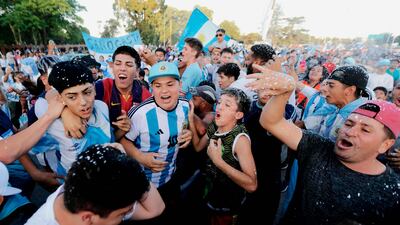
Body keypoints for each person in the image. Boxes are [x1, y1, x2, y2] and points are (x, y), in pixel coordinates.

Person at [246, 65, 400, 225]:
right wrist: (284, 92)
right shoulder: (318, 150)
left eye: (365, 130)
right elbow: (272, 122)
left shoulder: (392, 193)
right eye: (348, 123)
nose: (350, 132)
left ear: (385, 145)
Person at [120, 61, 192, 224]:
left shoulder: (186, 106)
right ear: (152, 89)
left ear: (179, 85)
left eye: (170, 84)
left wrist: (189, 133)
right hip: (141, 185)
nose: (164, 90)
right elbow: (122, 140)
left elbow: (187, 127)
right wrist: (140, 157)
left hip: (170, 179)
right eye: (158, 85)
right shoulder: (140, 113)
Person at [26, 144, 165, 225]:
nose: (128, 213)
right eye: (123, 214)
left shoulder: (93, 192)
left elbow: (156, 208)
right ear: (87, 218)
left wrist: (125, 165)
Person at [30, 61, 112, 179]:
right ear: (60, 97)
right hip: (72, 183)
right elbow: (25, 148)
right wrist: (64, 112)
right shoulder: (53, 122)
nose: (83, 102)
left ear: (94, 88)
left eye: (87, 92)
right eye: (72, 97)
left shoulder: (102, 107)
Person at [189, 88, 257, 225]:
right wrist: (191, 118)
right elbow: (197, 147)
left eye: (227, 105)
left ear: (238, 115)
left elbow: (252, 185)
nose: (219, 107)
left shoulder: (240, 140)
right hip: (210, 194)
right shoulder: (215, 125)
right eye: (220, 102)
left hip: (227, 204)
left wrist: (218, 162)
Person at [61, 46, 151, 141]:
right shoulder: (101, 87)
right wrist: (66, 113)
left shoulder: (145, 96)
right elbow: (54, 94)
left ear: (137, 71)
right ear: (112, 67)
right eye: (118, 64)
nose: (122, 69)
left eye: (128, 65)